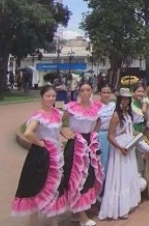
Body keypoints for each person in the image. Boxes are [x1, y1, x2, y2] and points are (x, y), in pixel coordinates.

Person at [50, 83, 103, 226]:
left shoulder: (96, 108)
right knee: (76, 177)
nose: (85, 93)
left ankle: (78, 211)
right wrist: (65, 132)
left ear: (92, 91)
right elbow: (56, 121)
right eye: (82, 90)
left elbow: (98, 121)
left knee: (89, 177)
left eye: (88, 90)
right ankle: (81, 215)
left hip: (90, 144)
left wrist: (94, 133)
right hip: (76, 145)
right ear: (79, 92)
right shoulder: (72, 107)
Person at [11, 86, 64, 222]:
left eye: (53, 96)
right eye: (48, 96)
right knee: (37, 186)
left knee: (54, 187)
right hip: (42, 155)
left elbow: (58, 131)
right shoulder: (38, 115)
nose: (51, 98)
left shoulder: (57, 113)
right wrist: (40, 143)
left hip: (56, 154)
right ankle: (33, 222)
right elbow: (28, 133)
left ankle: (54, 221)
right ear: (41, 97)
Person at [99, 88, 141, 220]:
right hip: (120, 148)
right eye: (123, 99)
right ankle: (119, 207)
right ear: (119, 100)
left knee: (128, 175)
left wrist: (137, 136)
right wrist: (120, 147)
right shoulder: (116, 115)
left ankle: (128, 203)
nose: (125, 101)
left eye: (127, 99)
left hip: (129, 146)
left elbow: (129, 130)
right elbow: (110, 136)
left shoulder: (128, 115)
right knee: (120, 176)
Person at [97, 85, 115, 179]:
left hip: (112, 135)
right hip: (100, 136)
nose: (106, 95)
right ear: (100, 94)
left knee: (111, 160)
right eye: (104, 92)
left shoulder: (114, 105)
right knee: (101, 160)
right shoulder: (95, 106)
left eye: (108, 92)